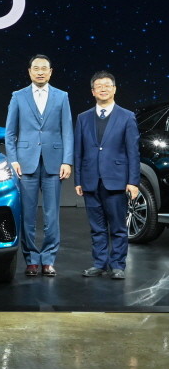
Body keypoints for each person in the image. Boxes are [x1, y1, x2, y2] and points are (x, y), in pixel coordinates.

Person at [5, 54, 73, 276]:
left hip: (54, 162)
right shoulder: (18, 96)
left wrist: (67, 160)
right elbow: (10, 132)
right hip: (26, 163)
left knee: (52, 216)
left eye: (44, 68)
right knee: (27, 215)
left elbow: (67, 131)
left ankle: (48, 259)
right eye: (36, 68)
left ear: (51, 72)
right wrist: (13, 159)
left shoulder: (62, 96)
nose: (40, 72)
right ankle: (31, 260)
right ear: (29, 71)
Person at [74, 71, 140, 280]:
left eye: (107, 85)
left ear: (114, 89)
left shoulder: (127, 116)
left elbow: (133, 152)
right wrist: (78, 180)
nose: (103, 89)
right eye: (99, 86)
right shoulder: (83, 117)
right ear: (93, 91)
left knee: (118, 227)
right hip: (90, 179)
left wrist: (133, 181)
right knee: (97, 227)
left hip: (117, 180)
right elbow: (78, 151)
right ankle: (99, 263)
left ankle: (118, 265)